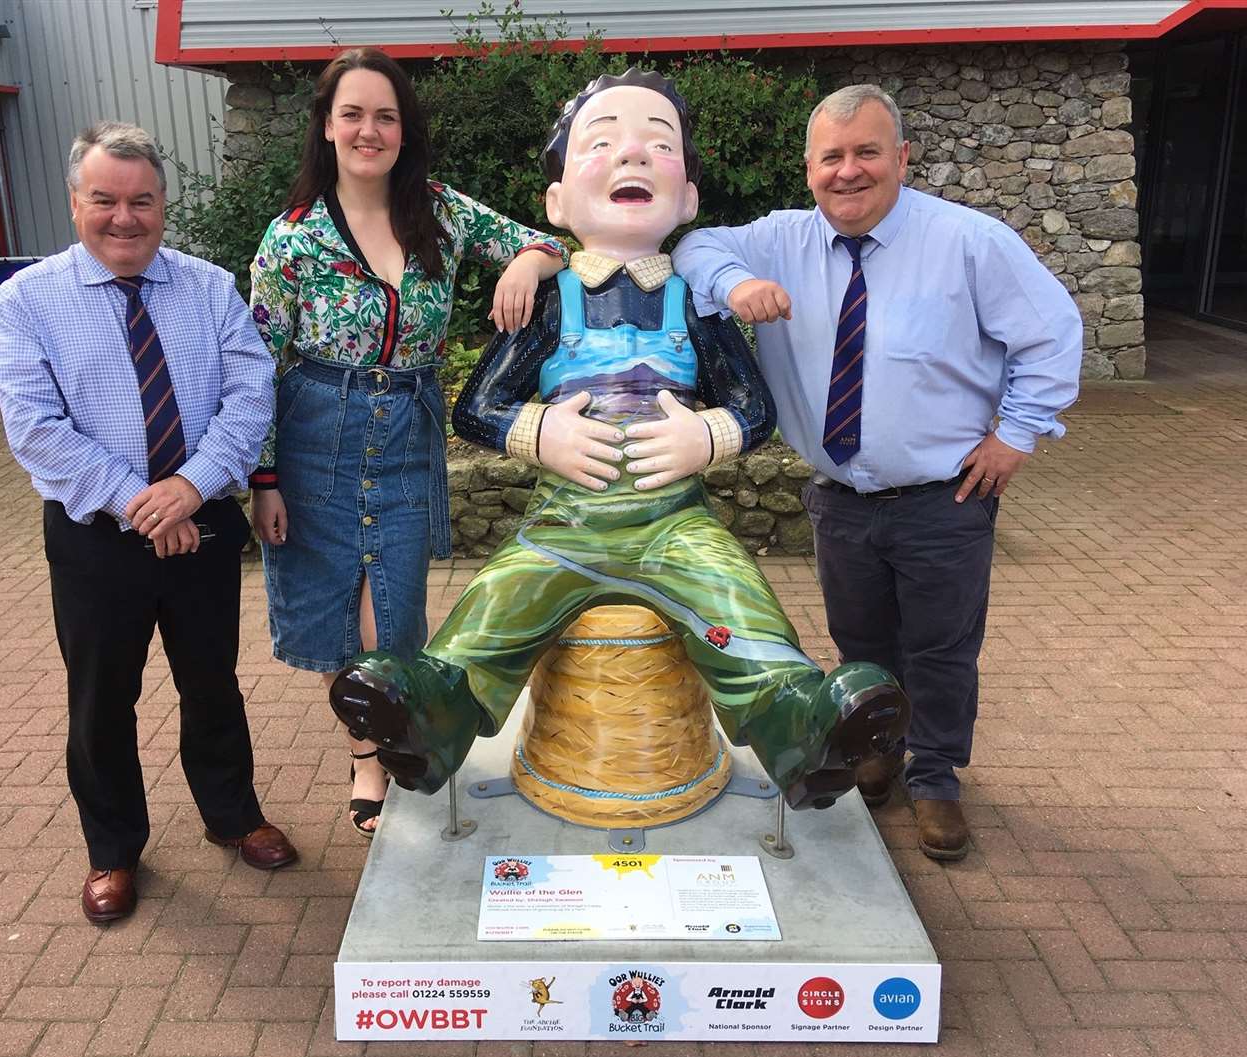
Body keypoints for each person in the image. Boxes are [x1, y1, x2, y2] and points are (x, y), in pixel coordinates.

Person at [328, 69, 909, 814]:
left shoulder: (697, 302)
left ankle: (800, 722)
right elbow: (479, 406)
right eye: (602, 145)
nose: (632, 157)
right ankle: (433, 712)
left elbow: (750, 404)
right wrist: (542, 432)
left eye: (657, 146)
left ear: (689, 198)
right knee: (498, 598)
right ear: (557, 201)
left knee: (739, 600)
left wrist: (707, 435)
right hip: (562, 527)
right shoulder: (549, 297)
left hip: (675, 524)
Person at [674, 84, 1082, 861]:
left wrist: (1017, 436)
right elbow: (694, 246)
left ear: (901, 158)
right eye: (832, 156)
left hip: (945, 496)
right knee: (861, 642)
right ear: (809, 168)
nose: (848, 172)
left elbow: (1052, 334)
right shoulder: (782, 241)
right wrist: (736, 286)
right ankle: (879, 752)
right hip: (842, 499)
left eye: (867, 153)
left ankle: (935, 782)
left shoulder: (968, 242)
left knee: (940, 649)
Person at [247, 48, 567, 837]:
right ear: (326, 126)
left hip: (407, 429)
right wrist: (262, 478)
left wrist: (524, 264)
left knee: (392, 608)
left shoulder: (440, 210)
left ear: (403, 129)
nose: (368, 130)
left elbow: (550, 239)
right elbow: (251, 364)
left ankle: (392, 739)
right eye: (352, 113)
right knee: (334, 606)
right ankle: (369, 755)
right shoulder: (291, 239)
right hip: (317, 424)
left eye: (385, 115)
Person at [0, 121, 298, 925]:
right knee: (101, 699)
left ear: (163, 204)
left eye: (141, 201)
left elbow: (250, 393)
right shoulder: (27, 301)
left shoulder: (208, 287)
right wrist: (142, 499)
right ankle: (113, 850)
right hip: (96, 535)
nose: (123, 217)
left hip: (201, 524)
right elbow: (35, 426)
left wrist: (191, 488)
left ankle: (233, 818)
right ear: (74, 202)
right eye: (105, 200)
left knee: (212, 683)